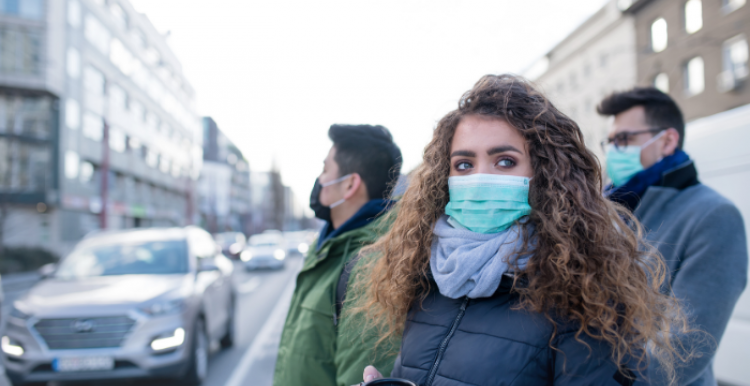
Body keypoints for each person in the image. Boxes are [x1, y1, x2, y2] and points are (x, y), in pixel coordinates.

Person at [354, 74, 693, 385]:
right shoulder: (428, 277)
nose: (480, 177)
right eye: (463, 164)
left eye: (505, 161)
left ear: (544, 175)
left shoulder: (587, 297)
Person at [598, 88, 748, 386]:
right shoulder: (613, 208)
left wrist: (593, 379)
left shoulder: (713, 215)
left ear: (667, 140)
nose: (615, 150)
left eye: (625, 139)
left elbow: (685, 350)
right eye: (611, 141)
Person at [273, 124, 402, 386]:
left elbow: (357, 375)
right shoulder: (328, 247)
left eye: (324, 170)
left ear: (350, 185)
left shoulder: (373, 267)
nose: (319, 180)